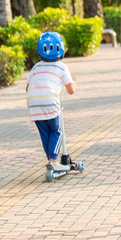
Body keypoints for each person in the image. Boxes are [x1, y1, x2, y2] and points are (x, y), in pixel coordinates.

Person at [25, 31, 76, 172]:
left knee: (45, 133)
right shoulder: (62, 67)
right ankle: (53, 161)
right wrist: (74, 82)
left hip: (33, 104)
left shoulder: (36, 67)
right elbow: (71, 90)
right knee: (57, 131)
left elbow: (27, 87)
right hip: (50, 102)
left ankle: (50, 160)